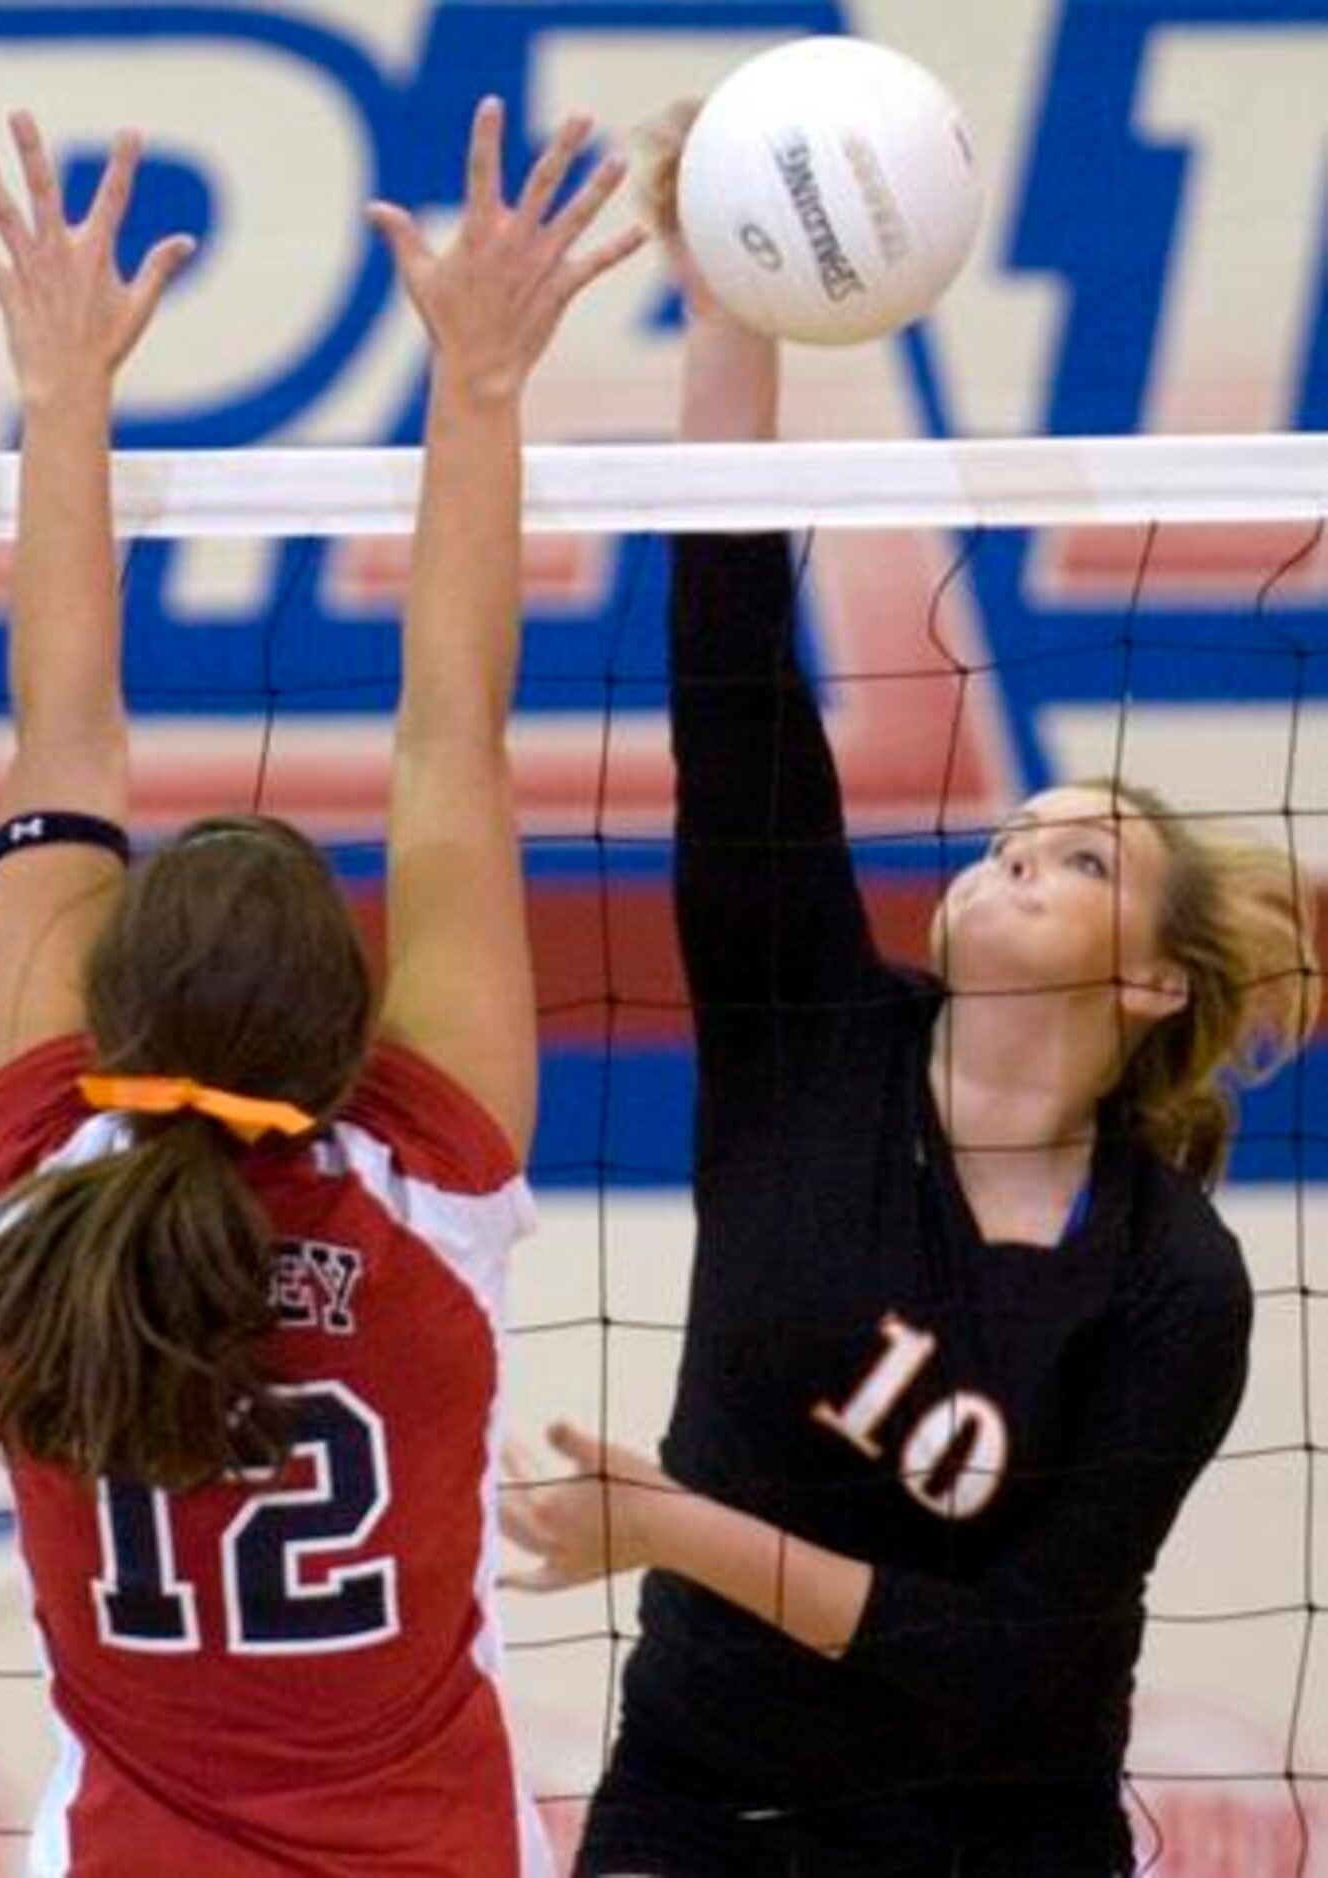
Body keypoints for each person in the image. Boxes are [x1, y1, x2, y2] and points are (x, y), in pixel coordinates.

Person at [499, 105, 1321, 1877]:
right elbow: (730, 673)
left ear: (1151, 977)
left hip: (990, 1838)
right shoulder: (813, 1038)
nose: (1016, 853)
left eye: (1079, 858)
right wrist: (730, 303)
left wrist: (678, 1525)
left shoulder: (1171, 1277)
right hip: (701, 1816)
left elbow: (1008, 1669)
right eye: (1015, 831)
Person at [0, 104, 643, 1877]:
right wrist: (480, 376)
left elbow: (61, 736)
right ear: (355, 1042)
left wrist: (60, 384)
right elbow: (449, 734)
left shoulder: (41, 1166)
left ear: (108, 1010)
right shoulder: (428, 1188)